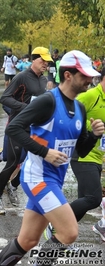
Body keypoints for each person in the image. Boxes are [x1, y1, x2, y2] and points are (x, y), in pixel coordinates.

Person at [0, 50, 103, 266]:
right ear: (68, 75)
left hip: (54, 180)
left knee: (28, 240)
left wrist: (94, 136)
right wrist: (45, 152)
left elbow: (80, 151)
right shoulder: (48, 101)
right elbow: (14, 128)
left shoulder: (80, 107)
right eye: (84, 76)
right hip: (38, 178)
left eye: (91, 76)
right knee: (69, 232)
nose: (90, 80)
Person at [43, 66, 105, 242]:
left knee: (83, 201)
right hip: (82, 153)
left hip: (96, 153)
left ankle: (59, 238)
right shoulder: (91, 95)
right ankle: (56, 224)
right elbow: (67, 113)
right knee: (93, 198)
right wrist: (89, 130)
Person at [0, 47, 53, 214]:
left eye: (47, 61)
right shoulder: (21, 77)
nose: (45, 64)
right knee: (12, 163)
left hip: (34, 127)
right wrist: (26, 108)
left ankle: (12, 186)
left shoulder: (43, 79)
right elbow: (5, 98)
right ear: (34, 59)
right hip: (17, 126)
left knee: (30, 162)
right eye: (42, 60)